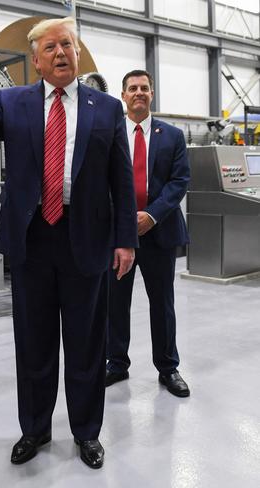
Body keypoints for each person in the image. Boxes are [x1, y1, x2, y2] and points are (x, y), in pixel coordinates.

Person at [0, 17, 137, 469]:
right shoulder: (13, 102)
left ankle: (86, 432)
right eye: (50, 47)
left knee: (87, 342)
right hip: (32, 238)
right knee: (33, 341)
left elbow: (121, 180)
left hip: (85, 238)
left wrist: (126, 239)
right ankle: (34, 428)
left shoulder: (105, 107)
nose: (61, 53)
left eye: (67, 44)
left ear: (77, 50)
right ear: (35, 60)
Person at [106, 69, 190, 397]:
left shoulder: (172, 135)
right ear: (123, 95)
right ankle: (116, 363)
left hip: (159, 233)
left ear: (151, 94)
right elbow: (101, 182)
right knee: (115, 303)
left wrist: (152, 215)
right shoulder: (110, 134)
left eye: (144, 88)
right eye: (132, 88)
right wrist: (124, 219)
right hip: (119, 235)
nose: (139, 93)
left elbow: (179, 181)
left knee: (162, 302)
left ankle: (168, 368)